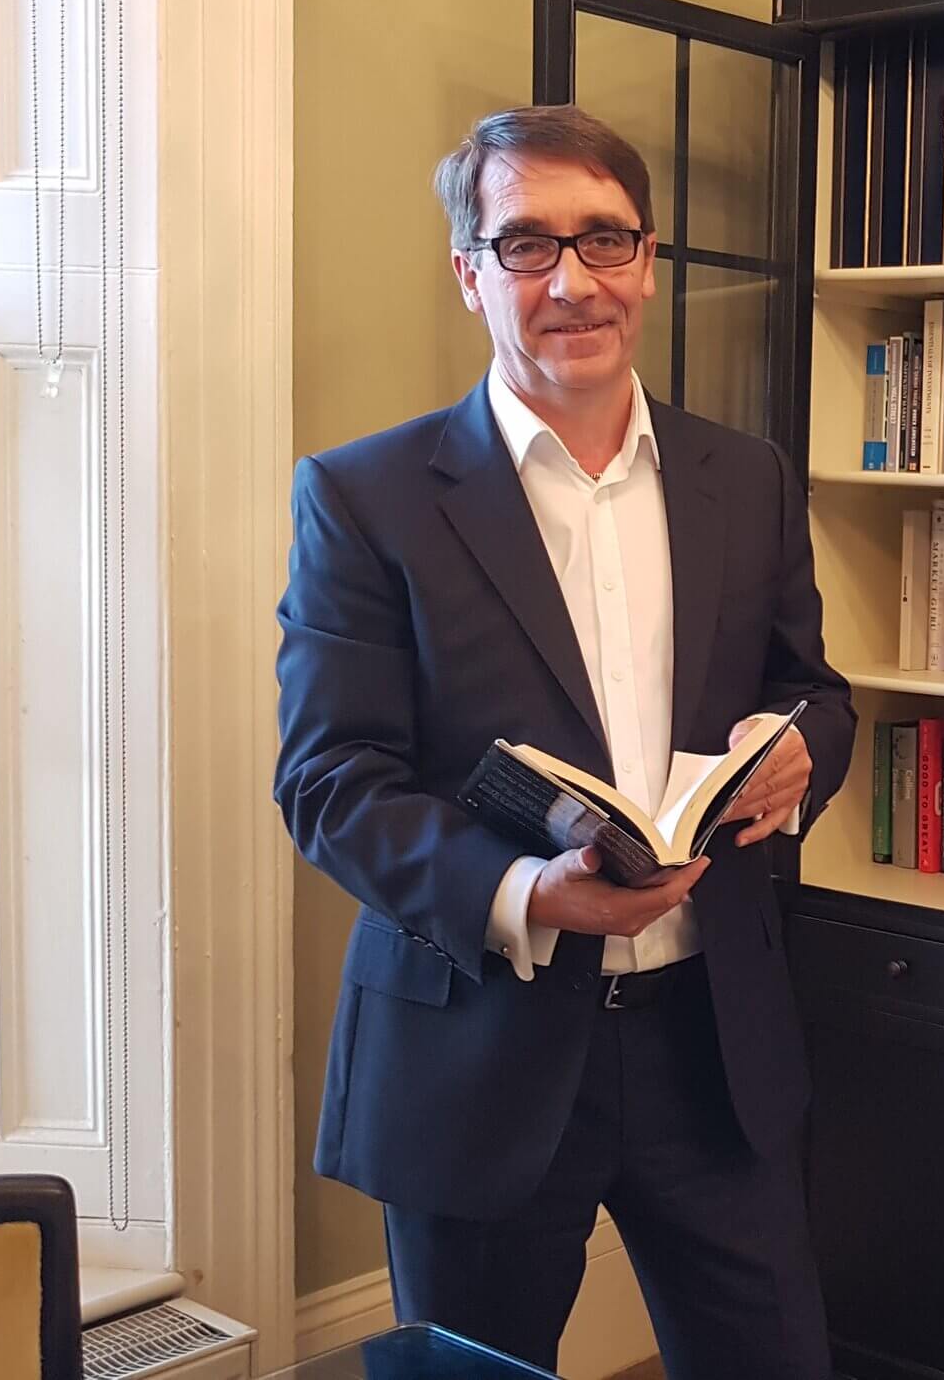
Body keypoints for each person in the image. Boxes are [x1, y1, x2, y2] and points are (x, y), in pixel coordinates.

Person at [274, 104, 853, 1378]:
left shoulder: (746, 475)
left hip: (714, 1046)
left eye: (605, 239)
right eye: (527, 243)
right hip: (478, 1048)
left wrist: (805, 746)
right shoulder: (366, 498)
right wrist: (527, 890)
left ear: (647, 260)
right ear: (469, 271)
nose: (573, 280)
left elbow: (812, 688)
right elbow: (329, 780)